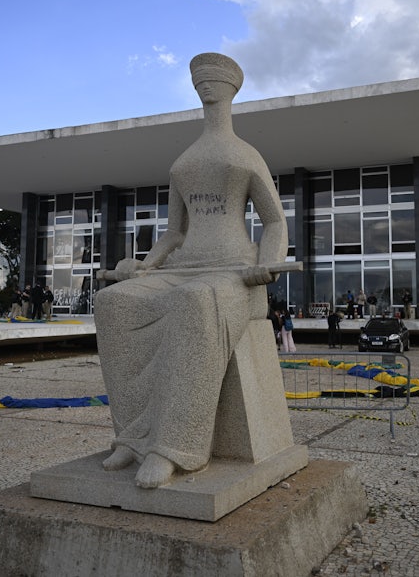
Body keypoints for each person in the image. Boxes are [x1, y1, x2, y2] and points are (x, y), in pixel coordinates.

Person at [95, 53, 287, 489]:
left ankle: (174, 447)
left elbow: (274, 220)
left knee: (195, 302)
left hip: (234, 271)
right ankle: (133, 435)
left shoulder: (245, 155)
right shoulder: (183, 162)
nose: (204, 85)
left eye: (212, 79)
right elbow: (173, 233)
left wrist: (267, 265)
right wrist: (143, 266)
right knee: (113, 304)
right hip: (183, 266)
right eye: (198, 79)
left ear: (232, 88)